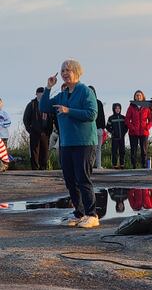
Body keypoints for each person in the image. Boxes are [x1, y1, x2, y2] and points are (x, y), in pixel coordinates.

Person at [40, 59, 100, 228]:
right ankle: (79, 213)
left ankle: (92, 214)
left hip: (84, 143)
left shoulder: (85, 91)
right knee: (70, 180)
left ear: (77, 72)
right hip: (66, 143)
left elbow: (92, 114)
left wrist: (69, 111)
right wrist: (48, 87)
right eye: (63, 70)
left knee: (83, 178)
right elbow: (44, 107)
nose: (65, 73)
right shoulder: (63, 94)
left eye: (68, 70)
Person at [23, 87, 54, 170]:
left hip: (46, 133)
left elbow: (51, 118)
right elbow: (26, 119)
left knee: (45, 152)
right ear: (36, 94)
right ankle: (35, 169)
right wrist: (30, 130)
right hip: (35, 133)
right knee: (34, 152)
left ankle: (43, 168)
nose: (41, 95)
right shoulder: (31, 105)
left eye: (43, 94)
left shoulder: (48, 104)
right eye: (39, 93)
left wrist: (49, 131)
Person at [125, 90, 152, 168]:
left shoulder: (147, 107)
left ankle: (144, 165)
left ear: (142, 97)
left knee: (144, 150)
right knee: (133, 150)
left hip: (144, 132)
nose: (138, 97)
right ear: (135, 97)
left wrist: (147, 127)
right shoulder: (131, 107)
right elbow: (127, 120)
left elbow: (151, 120)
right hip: (133, 133)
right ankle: (133, 166)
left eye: (140, 95)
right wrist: (132, 128)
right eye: (137, 95)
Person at [88, 86, 106, 169]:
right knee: (91, 148)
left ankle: (98, 165)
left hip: (98, 129)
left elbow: (102, 116)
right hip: (90, 129)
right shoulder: (86, 102)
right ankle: (90, 165)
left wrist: (103, 128)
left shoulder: (98, 102)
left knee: (98, 148)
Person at [106, 103, 128, 168]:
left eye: (119, 108)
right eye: (116, 108)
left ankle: (122, 164)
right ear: (113, 109)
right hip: (114, 138)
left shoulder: (123, 117)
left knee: (122, 151)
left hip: (122, 137)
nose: (117, 109)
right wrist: (112, 132)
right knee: (114, 152)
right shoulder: (111, 118)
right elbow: (107, 127)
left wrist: (124, 132)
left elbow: (126, 126)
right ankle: (114, 165)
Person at [0, 98, 11, 172]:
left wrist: (1, 123)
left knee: (4, 152)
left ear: (2, 104)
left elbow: (9, 122)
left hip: (3, 136)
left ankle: (4, 166)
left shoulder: (4, 113)